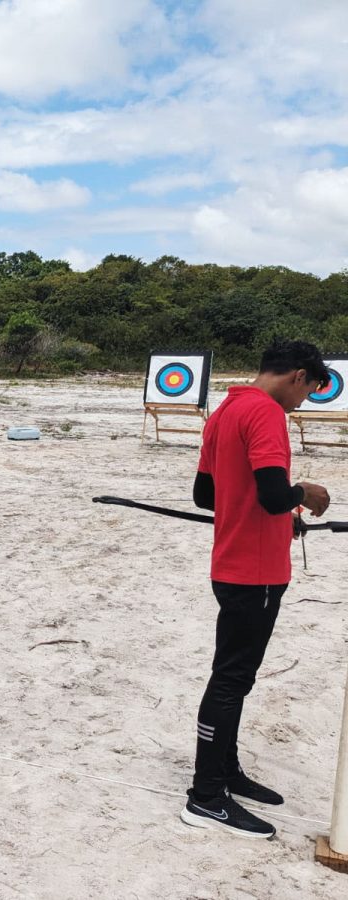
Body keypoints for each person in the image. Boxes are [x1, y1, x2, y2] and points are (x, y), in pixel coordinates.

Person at [181, 340, 331, 839]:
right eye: (309, 390)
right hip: (257, 572)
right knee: (231, 680)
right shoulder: (266, 413)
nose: (304, 401)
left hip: (231, 564)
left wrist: (272, 513)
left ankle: (224, 772)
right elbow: (270, 494)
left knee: (233, 678)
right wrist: (304, 494)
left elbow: (207, 495)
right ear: (298, 375)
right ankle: (206, 797)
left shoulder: (225, 410)